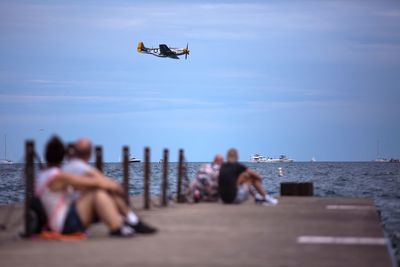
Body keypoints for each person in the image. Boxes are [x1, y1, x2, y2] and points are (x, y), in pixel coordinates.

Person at [62, 138, 156, 234]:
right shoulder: (80, 167)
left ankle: (127, 222)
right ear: (90, 154)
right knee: (100, 191)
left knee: (100, 190)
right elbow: (107, 183)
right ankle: (129, 221)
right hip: (71, 218)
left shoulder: (66, 167)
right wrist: (116, 189)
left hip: (71, 213)